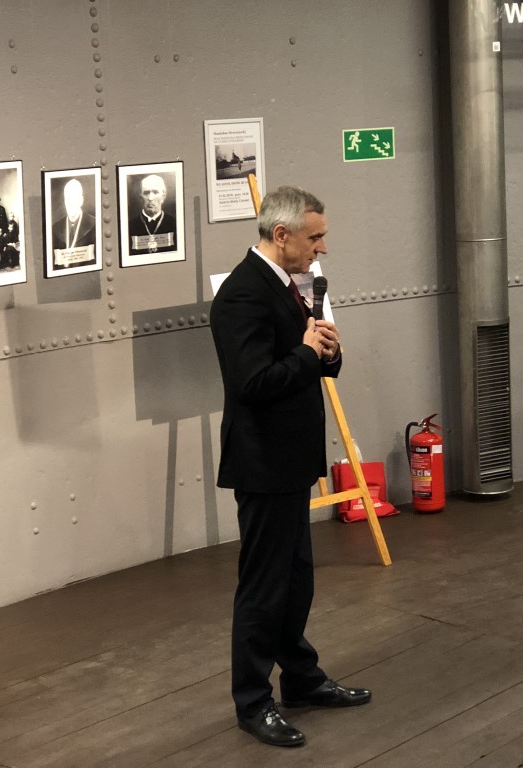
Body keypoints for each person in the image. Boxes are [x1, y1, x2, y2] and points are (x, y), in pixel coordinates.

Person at [210, 186, 371, 749]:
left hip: (291, 460)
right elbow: (252, 383)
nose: (322, 247)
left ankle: (301, 678)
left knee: (296, 580)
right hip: (263, 464)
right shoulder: (241, 295)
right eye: (315, 237)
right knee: (264, 587)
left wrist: (326, 352)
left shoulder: (288, 285)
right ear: (281, 235)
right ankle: (253, 701)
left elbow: (302, 359)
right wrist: (305, 352)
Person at [51, 178, 96, 267]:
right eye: (68, 198)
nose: (71, 202)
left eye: (74, 197)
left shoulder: (94, 225)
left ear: (81, 200)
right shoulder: (55, 228)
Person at [127, 173, 176, 255]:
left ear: (163, 197)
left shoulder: (174, 224)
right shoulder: (130, 226)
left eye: (155, 192)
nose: (150, 198)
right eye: (146, 193)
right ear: (141, 197)